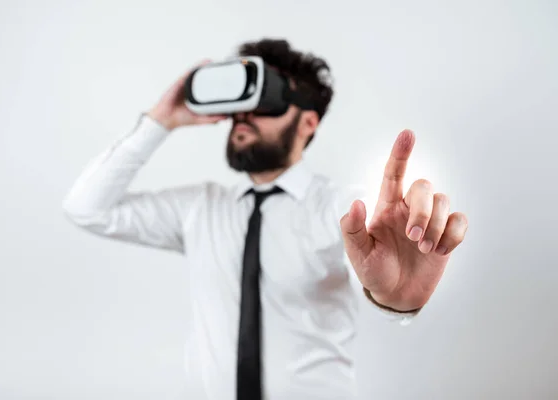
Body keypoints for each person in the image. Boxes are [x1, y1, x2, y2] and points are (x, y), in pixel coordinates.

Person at [62, 38, 468, 400]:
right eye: (240, 103)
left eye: (264, 103)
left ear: (308, 122)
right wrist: (160, 121)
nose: (243, 115)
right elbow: (86, 208)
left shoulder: (344, 209)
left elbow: (375, 257)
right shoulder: (200, 208)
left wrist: (396, 297)